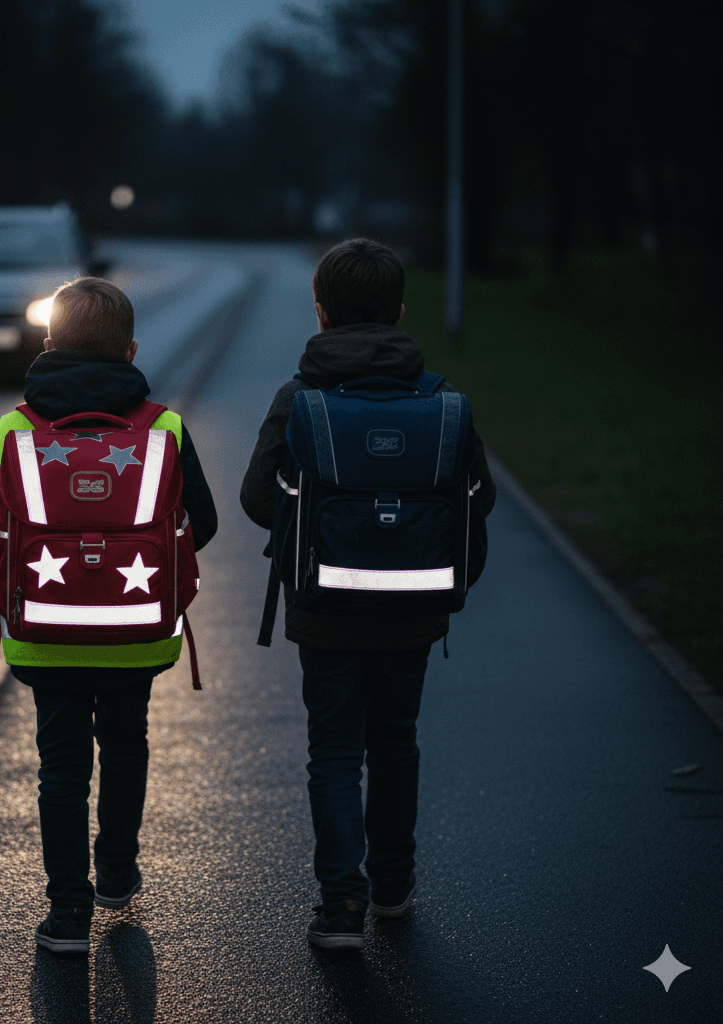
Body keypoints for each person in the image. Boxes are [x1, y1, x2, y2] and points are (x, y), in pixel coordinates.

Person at [239, 239, 496, 950]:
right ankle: (393, 886)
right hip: (414, 610)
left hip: (323, 611)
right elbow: (483, 499)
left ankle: (341, 908)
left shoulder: (300, 399)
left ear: (320, 312)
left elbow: (258, 500)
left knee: (333, 753)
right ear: (400, 313)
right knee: (395, 743)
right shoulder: (443, 401)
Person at [0, 277, 217, 954]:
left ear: (48, 344)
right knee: (126, 743)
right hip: (135, 631)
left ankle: (68, 915)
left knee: (61, 766)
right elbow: (208, 524)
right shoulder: (164, 425)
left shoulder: (16, 426)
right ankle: (116, 871)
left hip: (45, 632)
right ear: (131, 349)